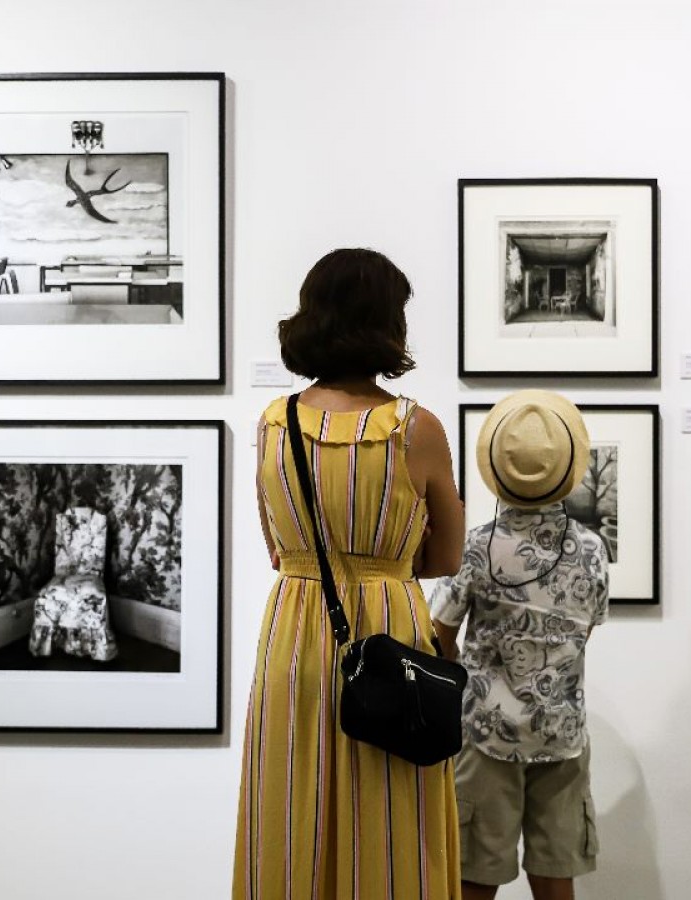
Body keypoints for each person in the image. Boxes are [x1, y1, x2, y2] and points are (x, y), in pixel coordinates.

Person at [233, 248, 466, 899]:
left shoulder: (276, 423)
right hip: (388, 627)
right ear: (388, 323)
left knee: (291, 802)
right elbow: (446, 558)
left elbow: (278, 550)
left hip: (294, 631)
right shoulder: (414, 429)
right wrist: (387, 556)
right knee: (391, 818)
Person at [429, 390, 608, 900]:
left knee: (474, 878)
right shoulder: (593, 549)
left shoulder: (477, 545)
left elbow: (437, 634)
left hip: (486, 731)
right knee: (556, 875)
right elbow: (586, 629)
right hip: (562, 730)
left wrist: (478, 674)